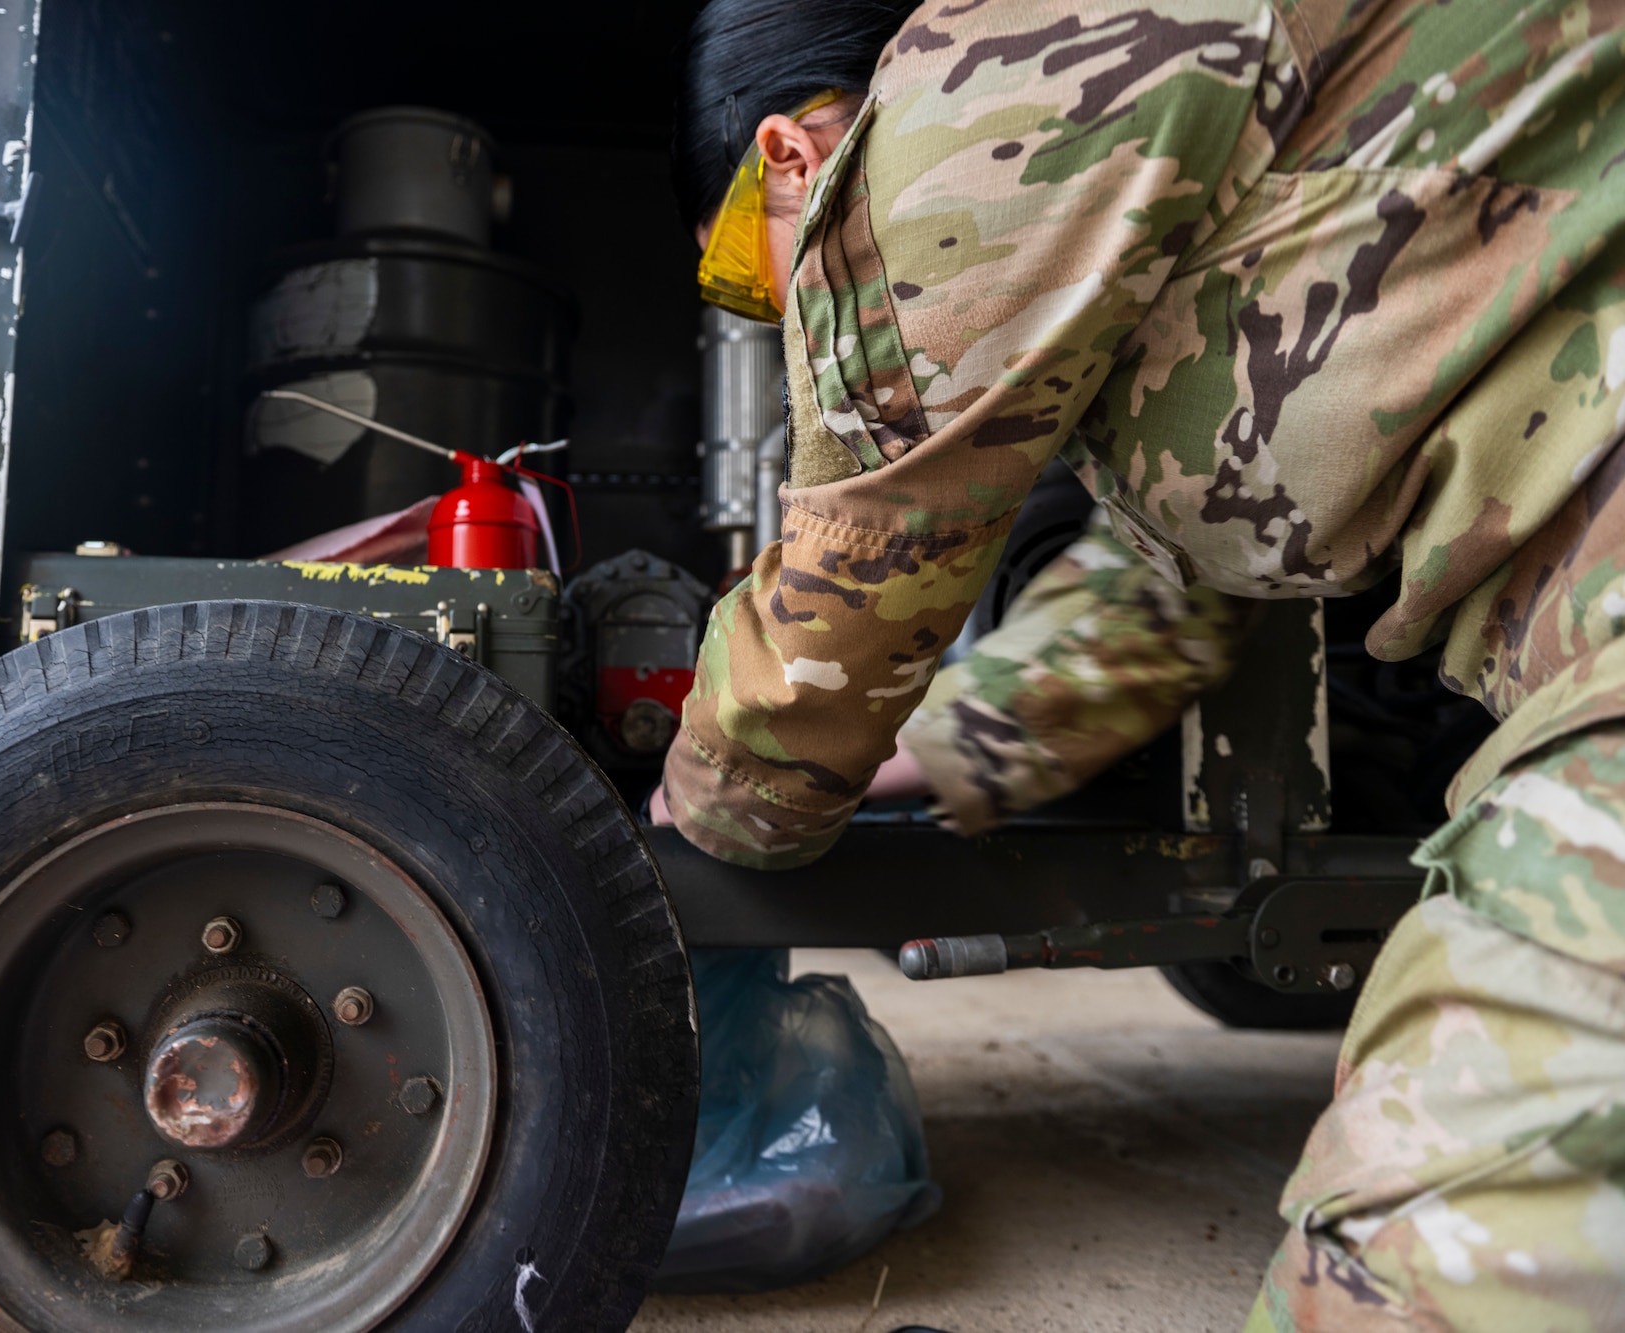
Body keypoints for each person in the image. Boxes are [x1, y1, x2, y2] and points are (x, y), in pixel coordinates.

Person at [660, 0, 1625, 1328]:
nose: (781, 296)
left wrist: (708, 799)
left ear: (790, 153)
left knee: (1417, 1282)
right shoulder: (1174, 135)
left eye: (741, 266)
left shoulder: (967, 88)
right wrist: (947, 739)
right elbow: (1168, 584)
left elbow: (864, 559)